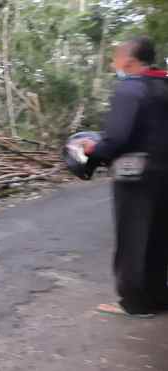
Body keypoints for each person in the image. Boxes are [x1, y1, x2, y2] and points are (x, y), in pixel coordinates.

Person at [82, 37, 168, 317]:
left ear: (129, 61)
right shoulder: (163, 85)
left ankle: (134, 302)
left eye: (115, 58)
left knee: (133, 237)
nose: (113, 63)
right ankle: (158, 297)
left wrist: (93, 151)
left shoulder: (131, 88)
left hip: (136, 174)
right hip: (164, 173)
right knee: (157, 237)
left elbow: (117, 137)